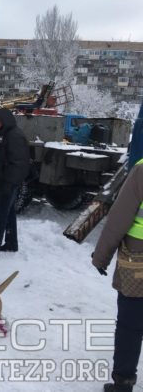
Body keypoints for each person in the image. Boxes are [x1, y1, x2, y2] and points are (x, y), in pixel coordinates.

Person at [92, 159, 143, 392]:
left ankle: (123, 383)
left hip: (138, 262)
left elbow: (119, 218)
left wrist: (101, 256)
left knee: (130, 324)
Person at [0, 108, 30, 261]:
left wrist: (8, 183)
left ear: (4, 122)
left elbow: (18, 163)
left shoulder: (14, 136)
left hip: (10, 182)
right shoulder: (10, 134)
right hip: (9, 181)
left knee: (1, 214)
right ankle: (11, 243)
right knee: (9, 213)